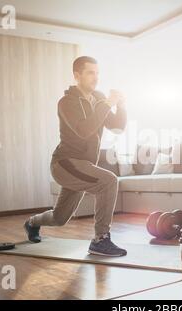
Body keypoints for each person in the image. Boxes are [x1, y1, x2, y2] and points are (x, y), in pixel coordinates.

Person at [24, 56, 127, 257]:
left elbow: (117, 127)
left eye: (97, 73)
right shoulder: (66, 102)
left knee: (60, 217)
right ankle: (100, 240)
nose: (95, 77)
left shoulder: (98, 99)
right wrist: (107, 103)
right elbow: (84, 130)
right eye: (90, 72)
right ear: (77, 75)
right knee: (108, 181)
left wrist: (121, 105)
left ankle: (32, 223)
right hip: (65, 164)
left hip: (83, 166)